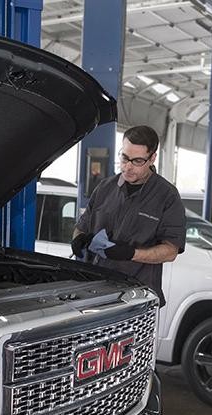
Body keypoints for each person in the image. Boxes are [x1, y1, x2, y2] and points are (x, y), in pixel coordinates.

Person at [70, 125, 185, 307]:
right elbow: (82, 226)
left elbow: (170, 251)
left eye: (137, 161)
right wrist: (78, 238)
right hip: (95, 291)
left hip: (139, 297)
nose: (128, 167)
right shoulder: (105, 188)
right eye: (124, 158)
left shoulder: (167, 196)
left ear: (152, 158)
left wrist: (131, 253)